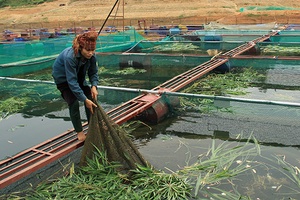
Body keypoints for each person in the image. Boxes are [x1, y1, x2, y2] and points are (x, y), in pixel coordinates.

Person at [52, 31, 99, 141]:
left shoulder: (92, 56)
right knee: (73, 102)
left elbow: (93, 72)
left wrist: (94, 86)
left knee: (91, 98)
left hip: (78, 76)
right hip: (63, 80)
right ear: (81, 48)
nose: (90, 53)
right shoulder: (70, 57)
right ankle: (79, 132)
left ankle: (92, 126)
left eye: (92, 50)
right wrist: (83, 99)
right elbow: (71, 82)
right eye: (88, 50)